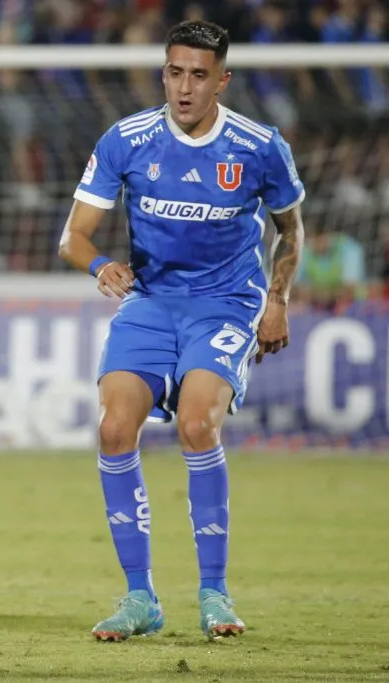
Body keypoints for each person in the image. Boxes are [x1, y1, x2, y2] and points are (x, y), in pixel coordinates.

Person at [59, 20, 305, 642]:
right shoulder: (127, 140)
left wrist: (277, 300)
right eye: (175, 73)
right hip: (151, 302)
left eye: (199, 75)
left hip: (226, 303)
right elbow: (73, 236)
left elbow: (291, 231)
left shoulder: (258, 146)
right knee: (115, 428)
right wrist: (99, 263)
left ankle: (215, 594)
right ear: (163, 73)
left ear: (221, 80)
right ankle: (140, 597)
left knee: (198, 424)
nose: (185, 88)